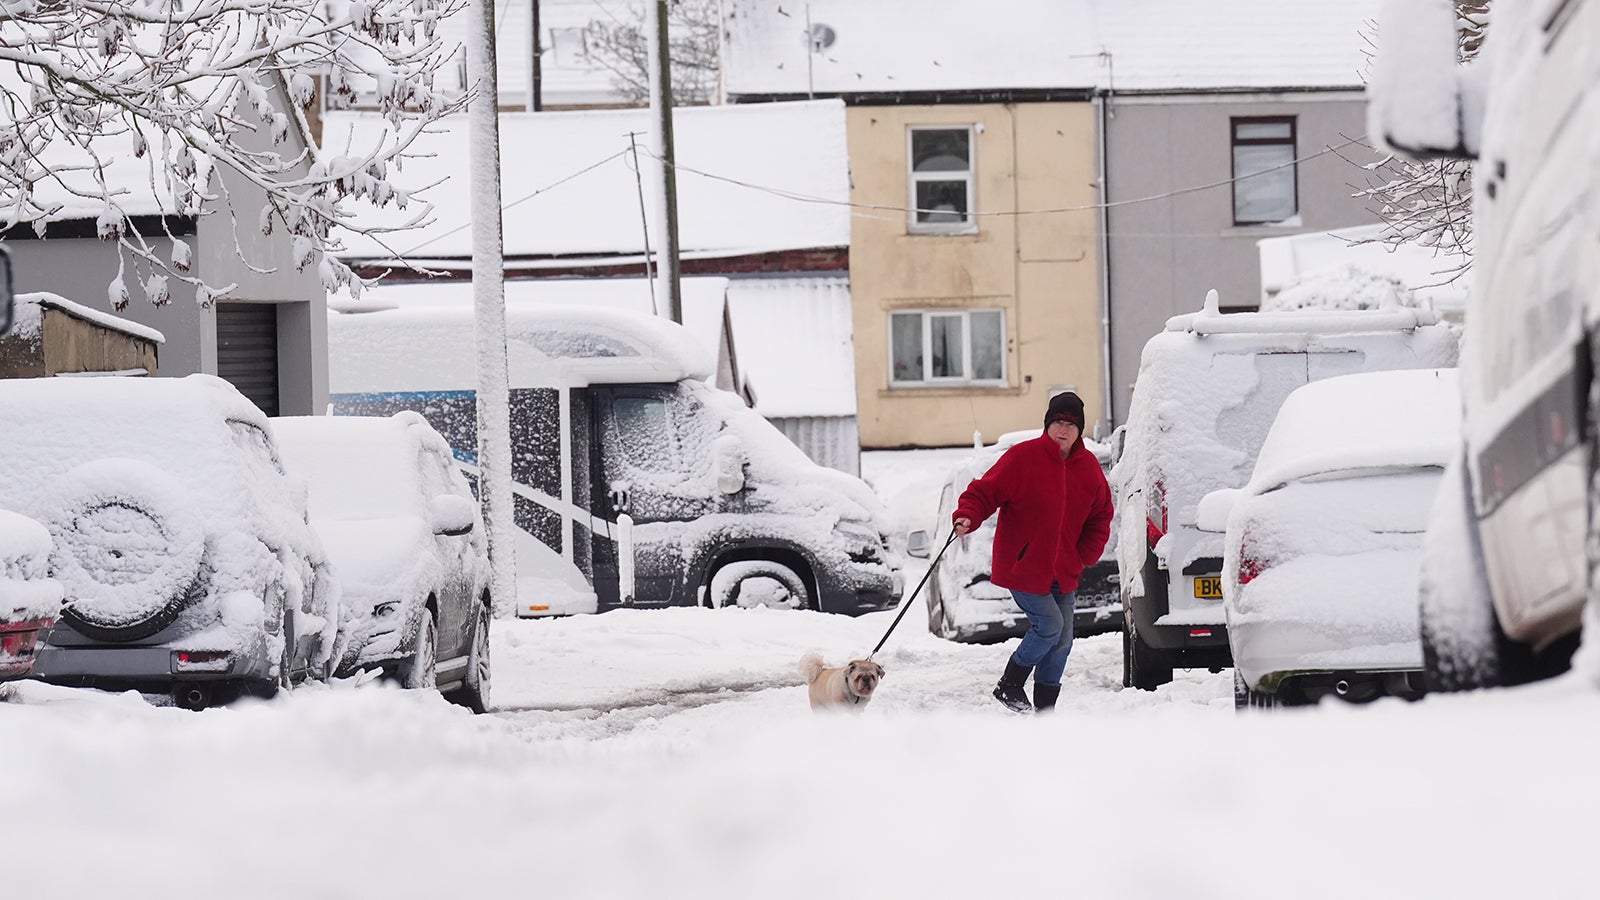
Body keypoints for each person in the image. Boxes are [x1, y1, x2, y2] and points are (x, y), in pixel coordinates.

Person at [952, 391, 1113, 713]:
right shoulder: (1023, 457)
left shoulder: (1088, 467)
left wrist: (1085, 555)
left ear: (1080, 430)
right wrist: (968, 514)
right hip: (1023, 566)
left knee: (1062, 643)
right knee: (1049, 627)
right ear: (1047, 425)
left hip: (1064, 570)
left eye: (1070, 423)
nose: (1063, 429)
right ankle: (1010, 684)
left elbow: (1101, 514)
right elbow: (985, 491)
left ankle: (1044, 713)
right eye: (1057, 421)